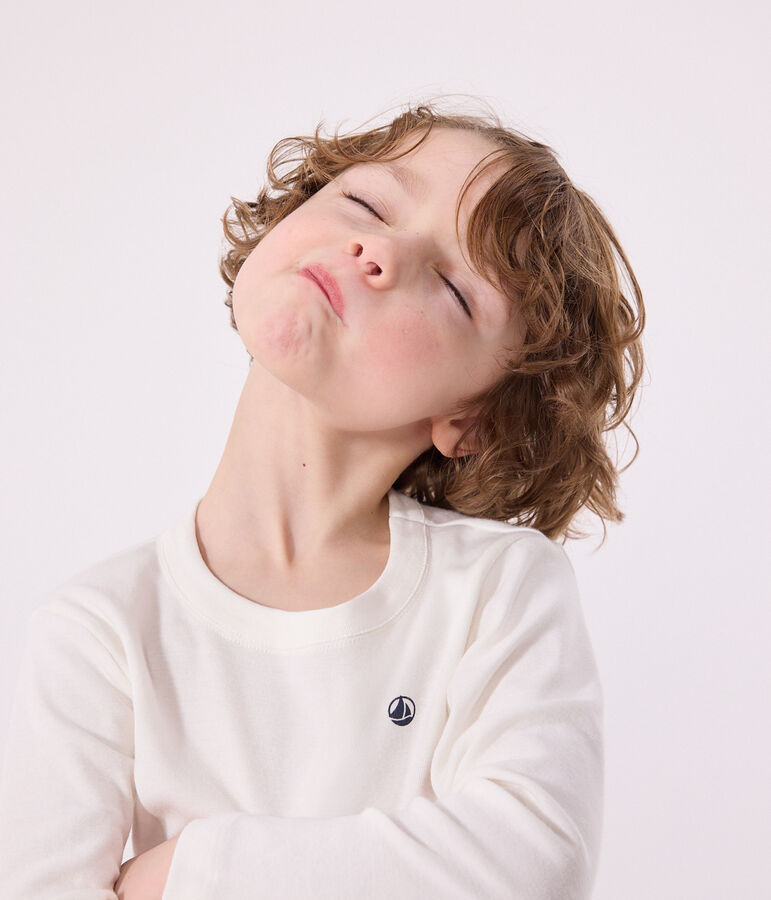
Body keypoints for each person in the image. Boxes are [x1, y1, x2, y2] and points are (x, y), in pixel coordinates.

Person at [0, 98, 645, 899]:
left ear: (470, 417)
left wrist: (189, 872)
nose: (375, 248)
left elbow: (532, 859)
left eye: (451, 285)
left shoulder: (500, 588)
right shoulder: (98, 630)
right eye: (366, 202)